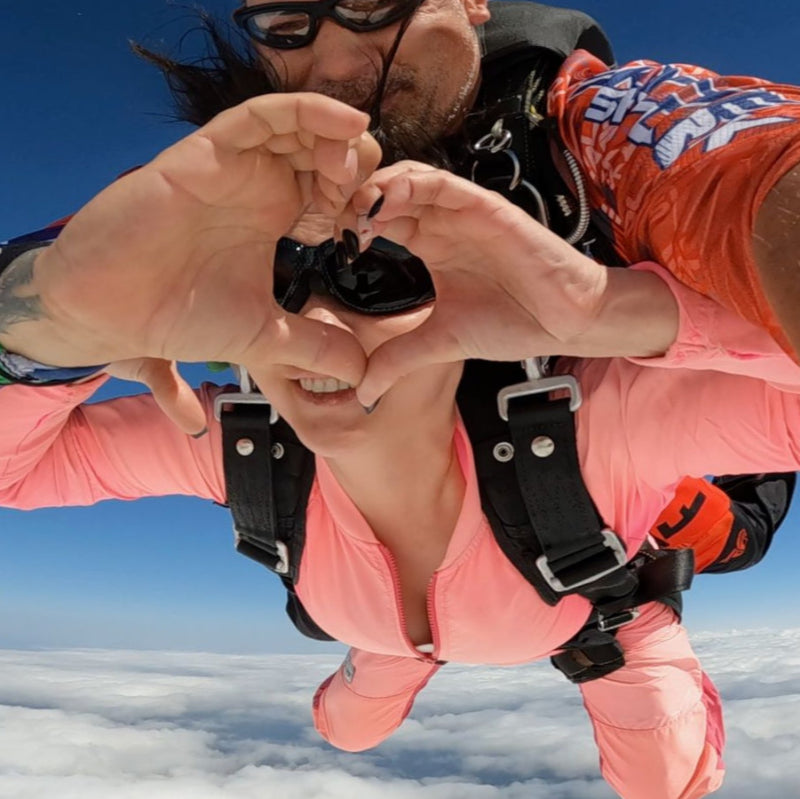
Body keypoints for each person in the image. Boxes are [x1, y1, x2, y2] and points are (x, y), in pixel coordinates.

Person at [2, 84, 800, 796]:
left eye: (375, 275)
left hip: (594, 616)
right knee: (344, 731)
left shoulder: (596, 426)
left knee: (666, 781)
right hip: (385, 630)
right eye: (279, 281)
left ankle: (423, 649)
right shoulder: (233, 441)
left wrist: (612, 313)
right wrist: (47, 329)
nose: (313, 326)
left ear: (467, 299)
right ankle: (403, 651)